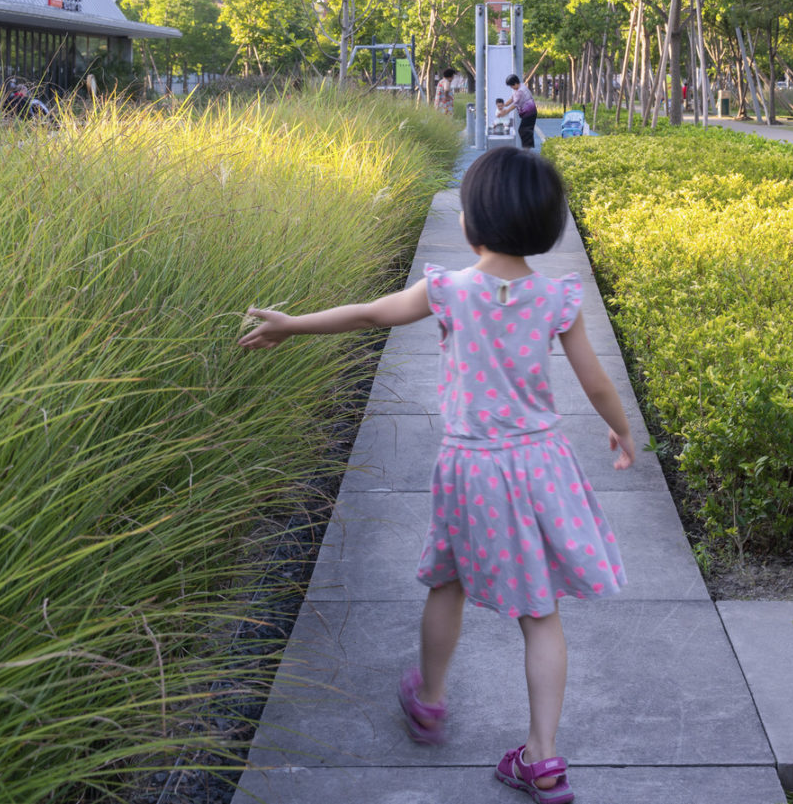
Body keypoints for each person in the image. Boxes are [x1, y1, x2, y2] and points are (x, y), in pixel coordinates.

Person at [239, 148, 636, 803]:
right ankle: (543, 757)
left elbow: (371, 312)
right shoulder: (556, 296)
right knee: (541, 614)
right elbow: (595, 381)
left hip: (470, 467)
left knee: (446, 580)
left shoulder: (450, 290)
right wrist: (622, 429)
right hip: (539, 465)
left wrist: (292, 326)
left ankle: (429, 698)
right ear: (547, 226)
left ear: (469, 223)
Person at [497, 73, 538, 149]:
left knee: (524, 130)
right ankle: (527, 148)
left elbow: (515, 104)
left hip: (530, 113)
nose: (511, 87)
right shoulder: (519, 87)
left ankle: (526, 149)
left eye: (512, 85)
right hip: (528, 113)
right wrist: (504, 105)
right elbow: (512, 98)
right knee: (525, 130)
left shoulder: (521, 91)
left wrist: (506, 111)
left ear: (516, 83)